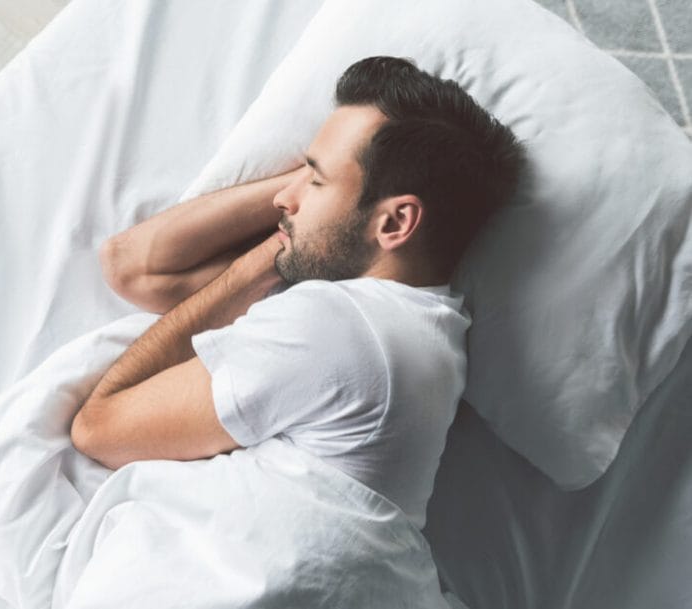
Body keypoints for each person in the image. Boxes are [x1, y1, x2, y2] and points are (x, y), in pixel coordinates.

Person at [70, 56, 526, 529]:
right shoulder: (420, 329)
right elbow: (133, 265)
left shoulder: (336, 328)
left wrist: (298, 235)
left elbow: (97, 429)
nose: (282, 199)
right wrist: (309, 220)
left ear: (393, 222)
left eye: (315, 179)